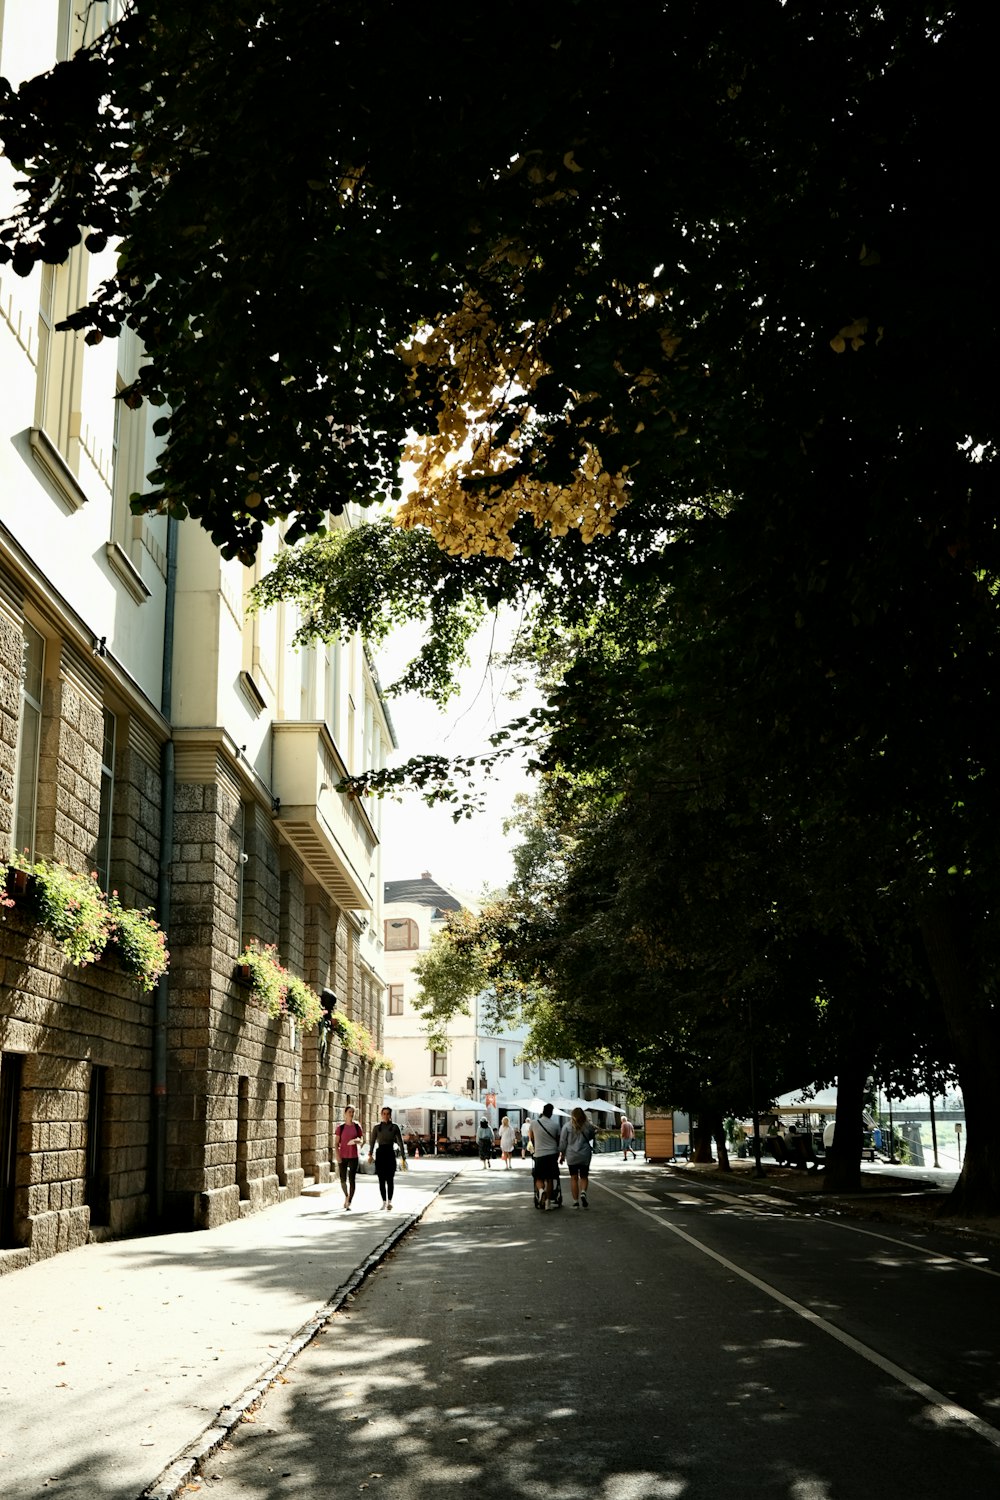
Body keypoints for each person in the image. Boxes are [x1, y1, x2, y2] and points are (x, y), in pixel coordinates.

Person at [368, 1105, 405, 1210]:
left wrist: (403, 1156)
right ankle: (383, 1201)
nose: (386, 1116)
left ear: (390, 1115)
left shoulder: (394, 1127)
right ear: (381, 1114)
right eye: (384, 1113)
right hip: (380, 1154)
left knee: (390, 1179)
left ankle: (390, 1202)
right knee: (381, 1179)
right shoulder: (376, 1128)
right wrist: (370, 1154)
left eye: (388, 1114)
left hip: (390, 1153)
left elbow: (400, 1142)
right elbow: (372, 1142)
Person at [559, 1106, 596, 1208]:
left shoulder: (567, 1126)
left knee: (574, 1178)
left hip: (572, 1155)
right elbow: (592, 1136)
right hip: (585, 1154)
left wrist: (562, 1155)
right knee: (584, 1176)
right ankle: (583, 1192)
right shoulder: (588, 1126)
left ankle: (575, 1202)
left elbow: (563, 1142)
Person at [530, 1103, 562, 1209]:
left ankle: (541, 1191)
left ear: (542, 1111)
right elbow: (558, 1141)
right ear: (551, 1113)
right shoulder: (555, 1125)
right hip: (552, 1155)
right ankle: (548, 1203)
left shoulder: (534, 1123)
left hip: (539, 1154)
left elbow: (532, 1138)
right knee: (550, 1179)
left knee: (539, 1177)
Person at [334, 1104, 363, 1210]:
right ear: (345, 1113)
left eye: (353, 1112)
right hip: (342, 1156)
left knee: (352, 1179)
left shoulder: (357, 1126)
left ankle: (349, 1201)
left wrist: (355, 1141)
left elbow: (361, 1140)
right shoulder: (340, 1128)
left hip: (354, 1156)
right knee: (342, 1180)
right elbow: (336, 1143)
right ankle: (346, 1195)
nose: (351, 1114)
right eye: (349, 1112)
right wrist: (337, 1155)